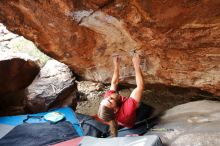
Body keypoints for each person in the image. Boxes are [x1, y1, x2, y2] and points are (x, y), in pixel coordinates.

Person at [98, 53, 145, 137]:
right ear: (115, 110)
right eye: (110, 100)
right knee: (140, 106)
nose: (109, 96)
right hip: (132, 120)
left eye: (106, 99)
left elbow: (114, 83)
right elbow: (140, 87)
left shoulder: (107, 101)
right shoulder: (126, 112)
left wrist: (116, 65)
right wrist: (136, 65)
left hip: (120, 117)